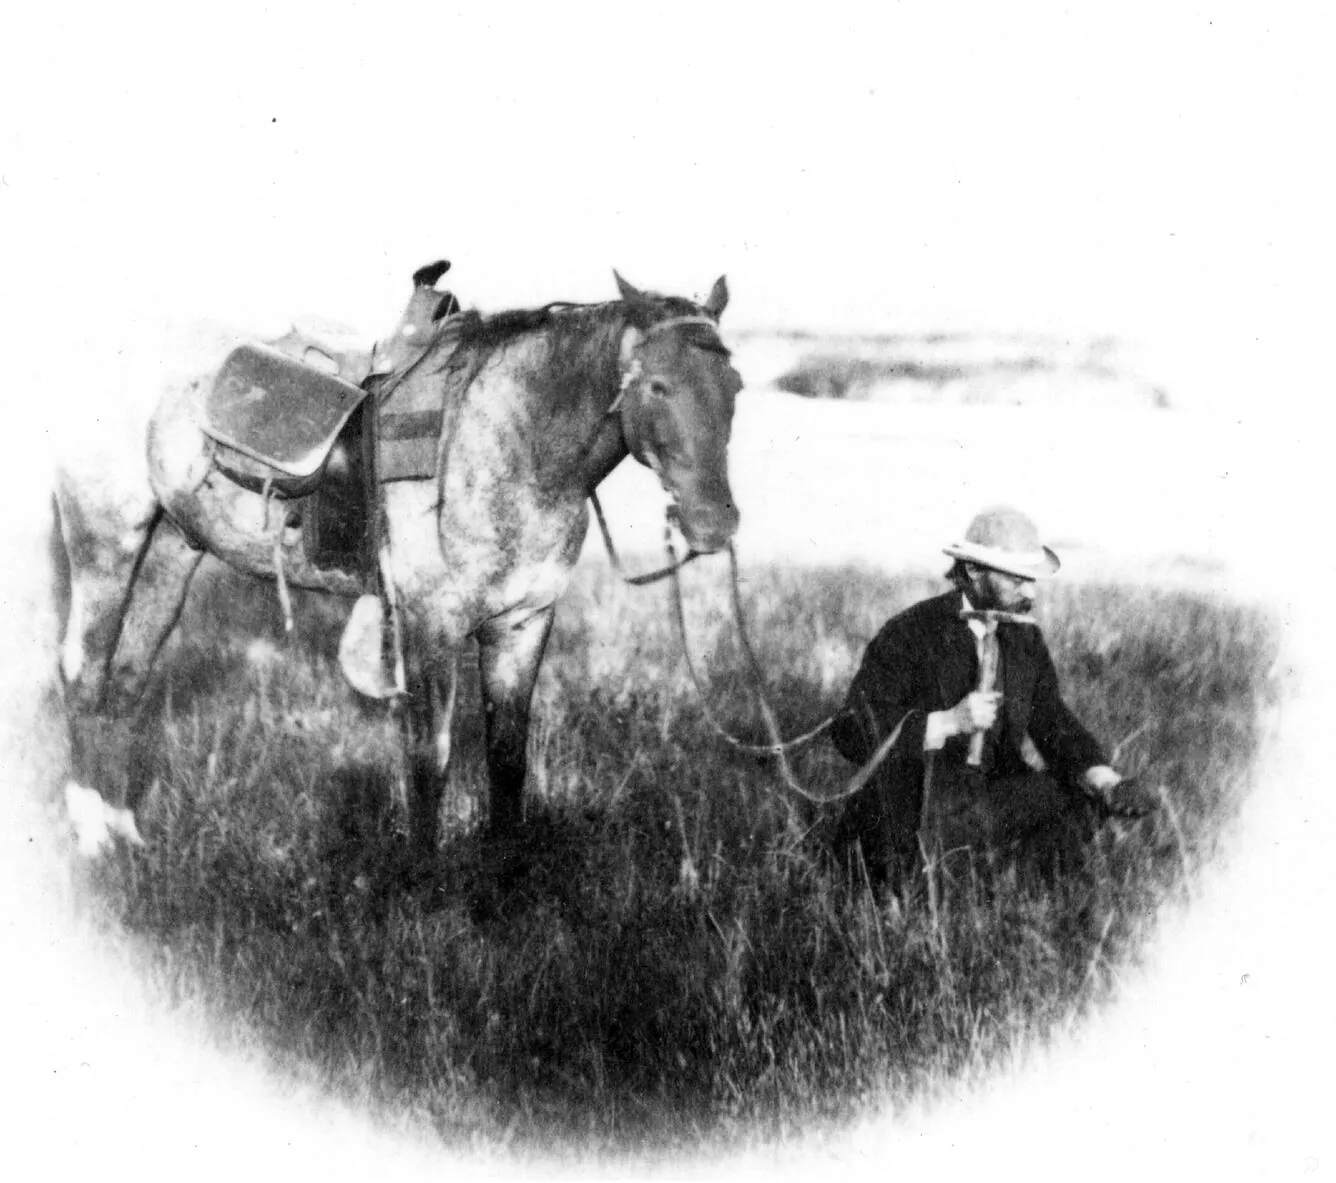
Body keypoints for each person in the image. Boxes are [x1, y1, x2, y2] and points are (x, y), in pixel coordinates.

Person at [830, 505, 1156, 893]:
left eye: (1032, 580)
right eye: (1017, 579)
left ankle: (1019, 893)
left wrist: (1106, 781)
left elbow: (1053, 722)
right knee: (905, 882)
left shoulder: (1025, 639)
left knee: (1084, 796)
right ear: (972, 571)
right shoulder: (911, 632)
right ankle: (933, 886)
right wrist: (948, 722)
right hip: (917, 807)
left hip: (991, 801)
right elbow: (850, 730)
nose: (1030, 593)